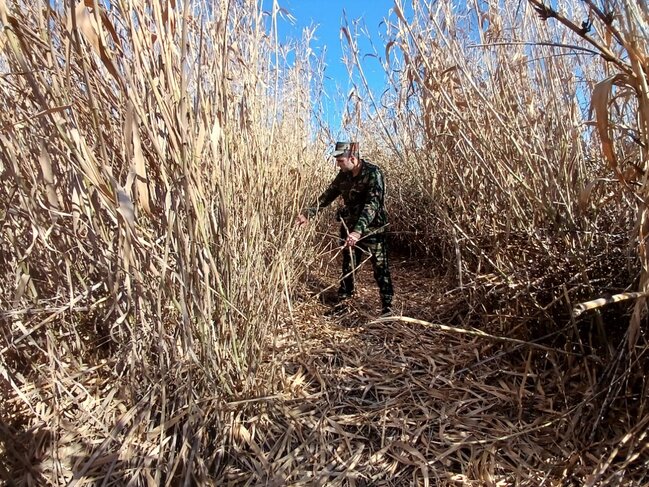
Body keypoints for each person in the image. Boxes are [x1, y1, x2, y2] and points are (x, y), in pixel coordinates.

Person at [296, 141, 394, 315]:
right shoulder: (343, 175)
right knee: (349, 266)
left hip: (372, 230)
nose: (338, 164)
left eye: (341, 160)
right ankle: (344, 303)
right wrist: (307, 214)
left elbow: (373, 205)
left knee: (380, 268)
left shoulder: (373, 173)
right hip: (349, 228)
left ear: (353, 158)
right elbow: (327, 195)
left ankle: (387, 307)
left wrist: (358, 231)